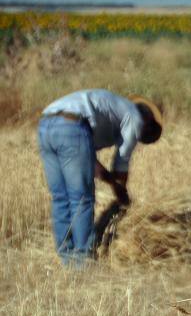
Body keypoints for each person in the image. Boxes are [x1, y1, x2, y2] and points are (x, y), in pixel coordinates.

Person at [38, 89, 163, 265]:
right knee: (81, 198)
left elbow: (87, 159)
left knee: (61, 197)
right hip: (72, 125)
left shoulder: (113, 110)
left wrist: (113, 183)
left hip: (46, 123)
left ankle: (66, 256)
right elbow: (122, 161)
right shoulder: (134, 116)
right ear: (148, 119)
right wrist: (121, 192)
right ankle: (82, 259)